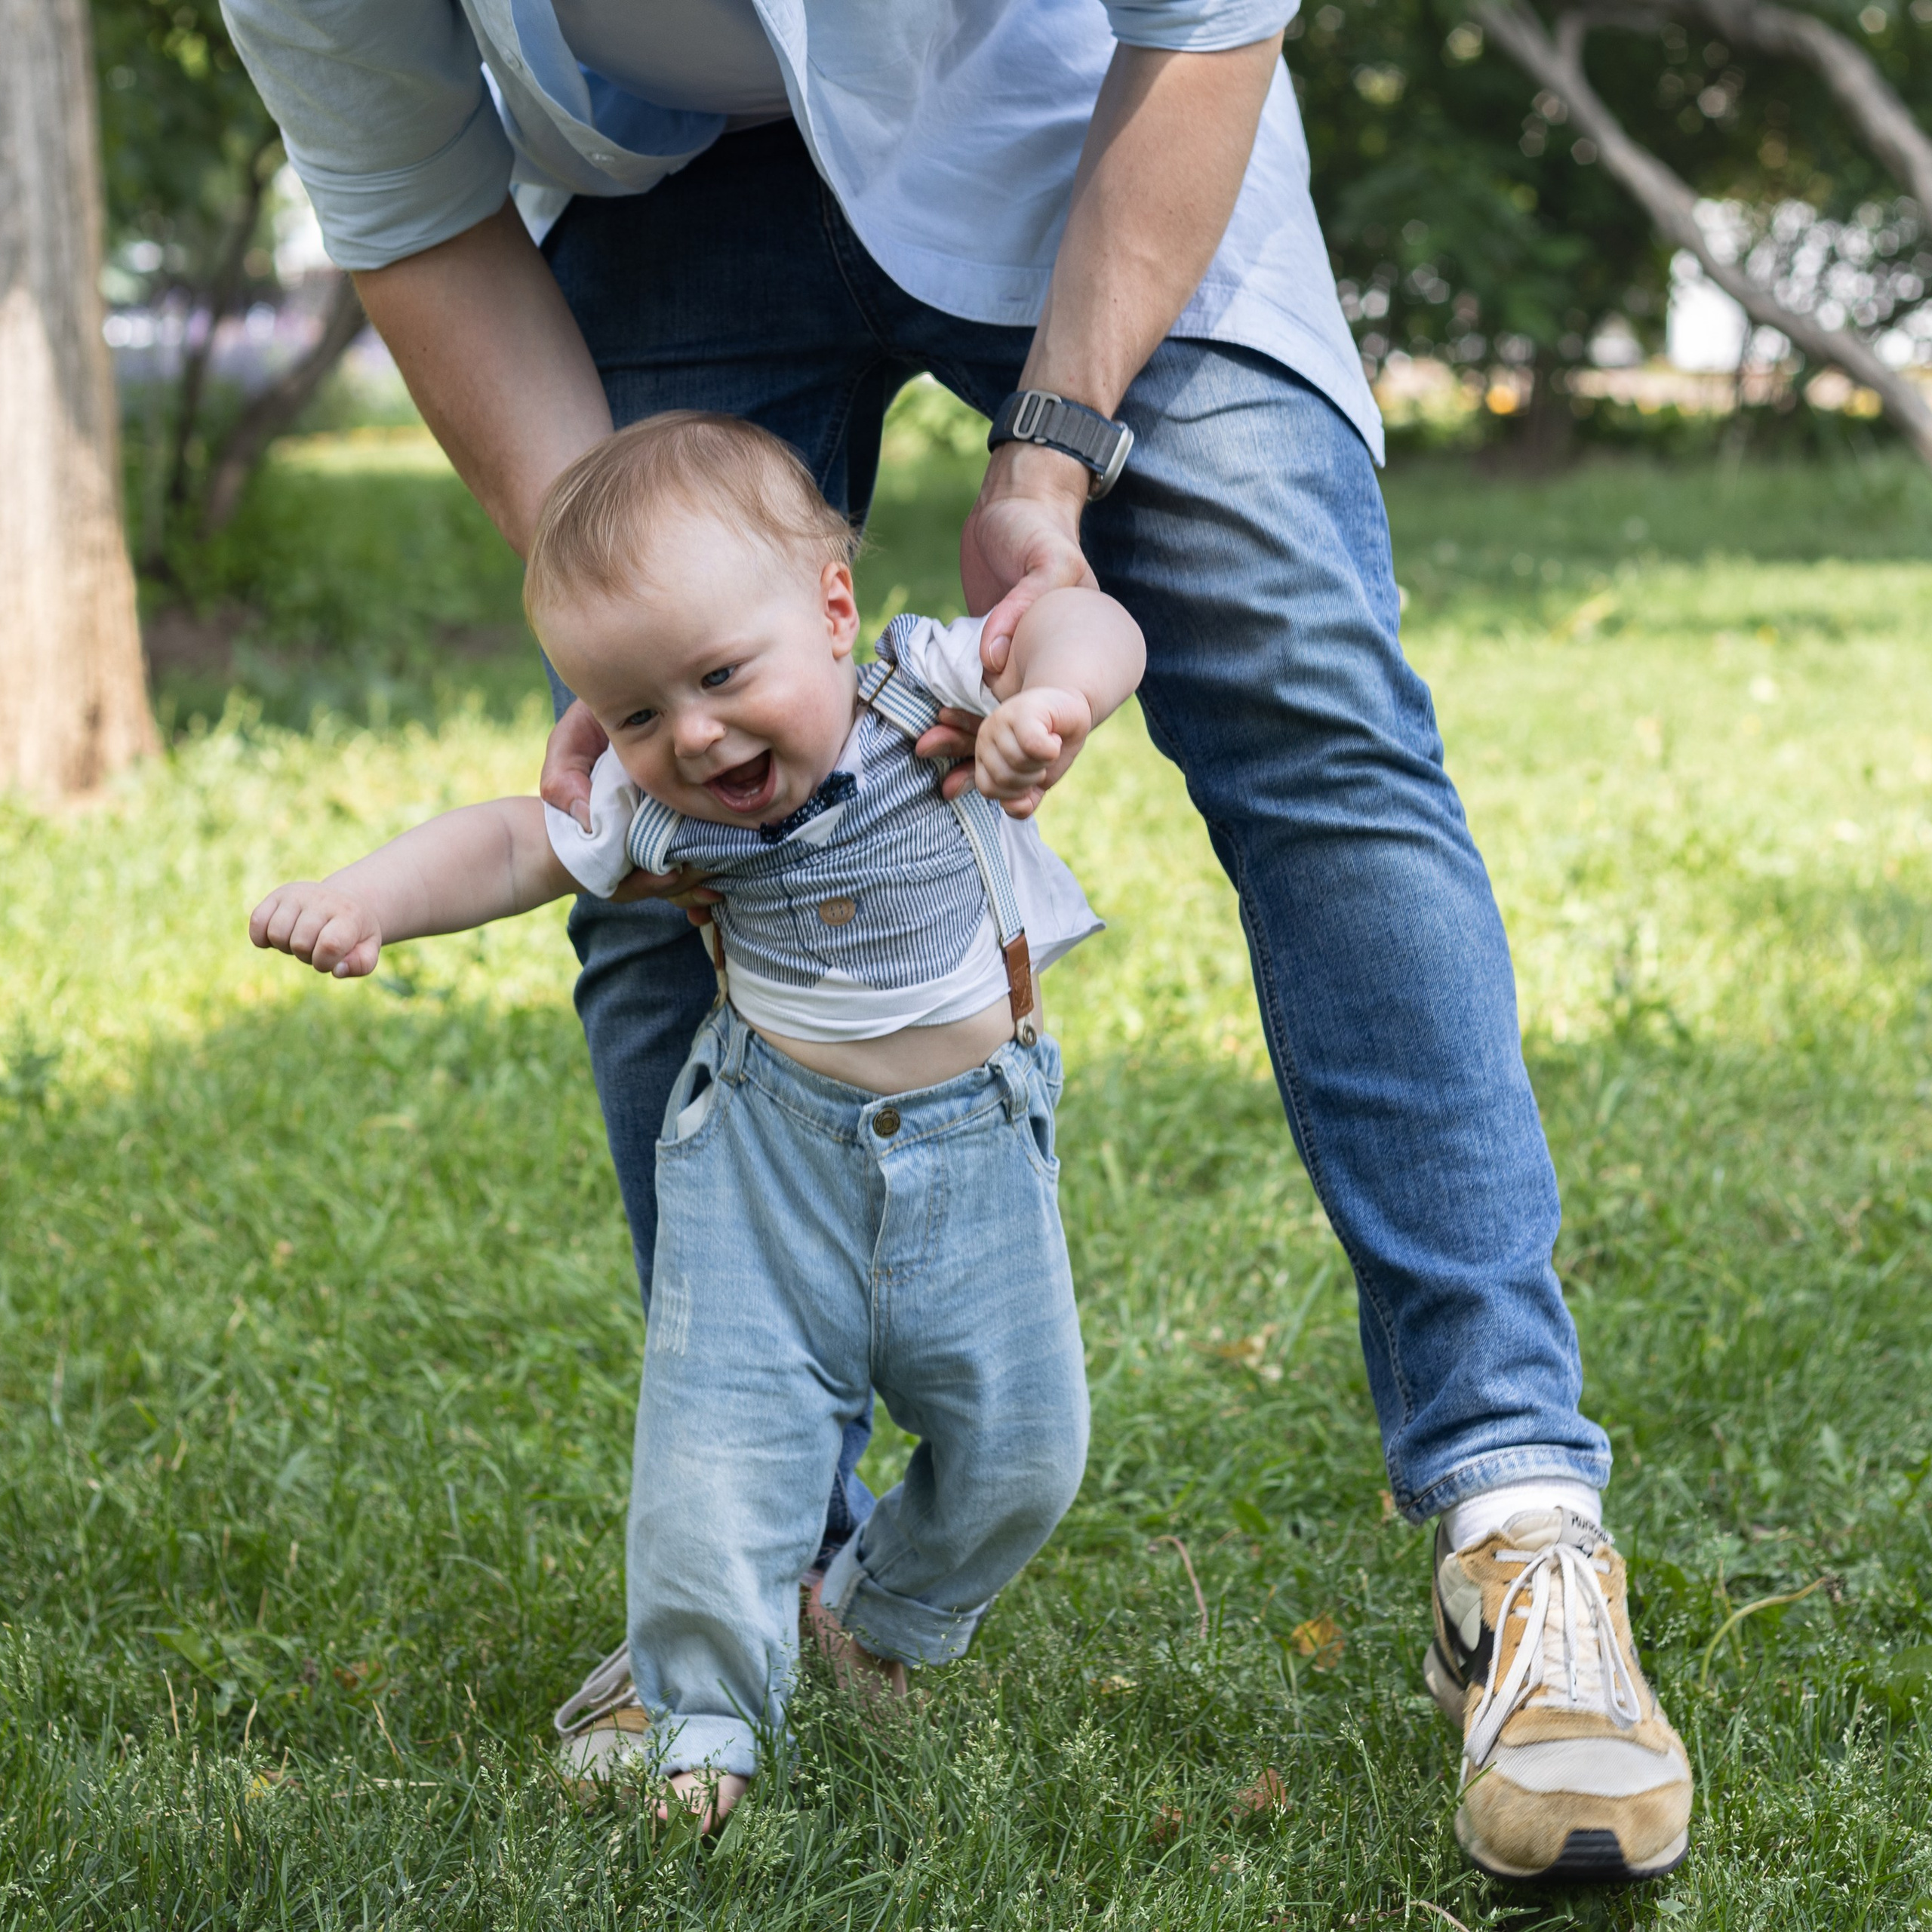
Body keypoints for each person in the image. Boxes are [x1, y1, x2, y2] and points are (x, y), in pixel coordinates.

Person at [225, 0, 1691, 1881]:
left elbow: (1206, 26)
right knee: (673, 858)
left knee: (1300, 688)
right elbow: (410, 191)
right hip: (661, 183)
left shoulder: (922, 667)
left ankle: (1516, 1519)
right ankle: (773, 1579)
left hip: (1086, 114)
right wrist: (620, 628)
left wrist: (1053, 477)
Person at [251, 412, 1146, 1828]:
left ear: (833, 611)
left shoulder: (921, 685)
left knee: (1026, 1452)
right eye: (638, 713)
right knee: (717, 1454)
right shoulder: (656, 806)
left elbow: (1086, 625)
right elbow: (510, 841)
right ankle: (705, 1724)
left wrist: (1058, 702)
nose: (696, 734)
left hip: (976, 1142)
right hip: (762, 1155)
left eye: (724, 676)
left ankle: (877, 1614)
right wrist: (369, 897)